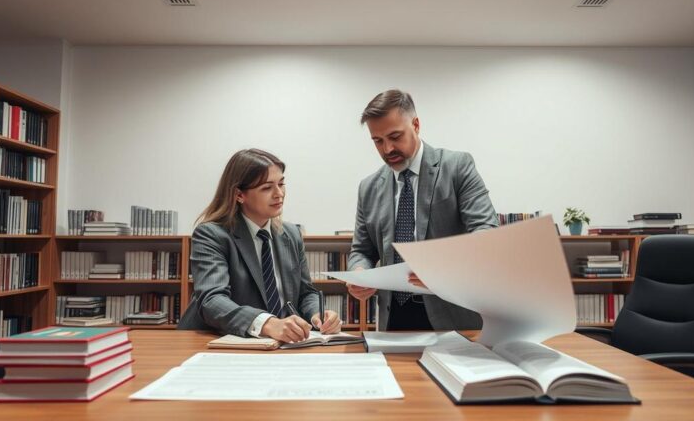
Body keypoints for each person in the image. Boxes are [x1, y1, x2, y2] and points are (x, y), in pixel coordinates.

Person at [347, 89, 499, 331]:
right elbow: (362, 250)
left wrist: (443, 267)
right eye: (378, 141)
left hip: (454, 313)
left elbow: (487, 232)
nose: (387, 149)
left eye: (395, 136)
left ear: (416, 125)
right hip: (393, 320)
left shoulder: (457, 167)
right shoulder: (369, 187)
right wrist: (359, 272)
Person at [178, 149, 341, 342]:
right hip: (218, 343)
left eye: (281, 184)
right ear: (239, 195)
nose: (279, 194)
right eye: (266, 188)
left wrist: (318, 314)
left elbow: (306, 293)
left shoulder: (291, 234)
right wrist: (268, 323)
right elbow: (212, 301)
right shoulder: (212, 234)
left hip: (278, 345)